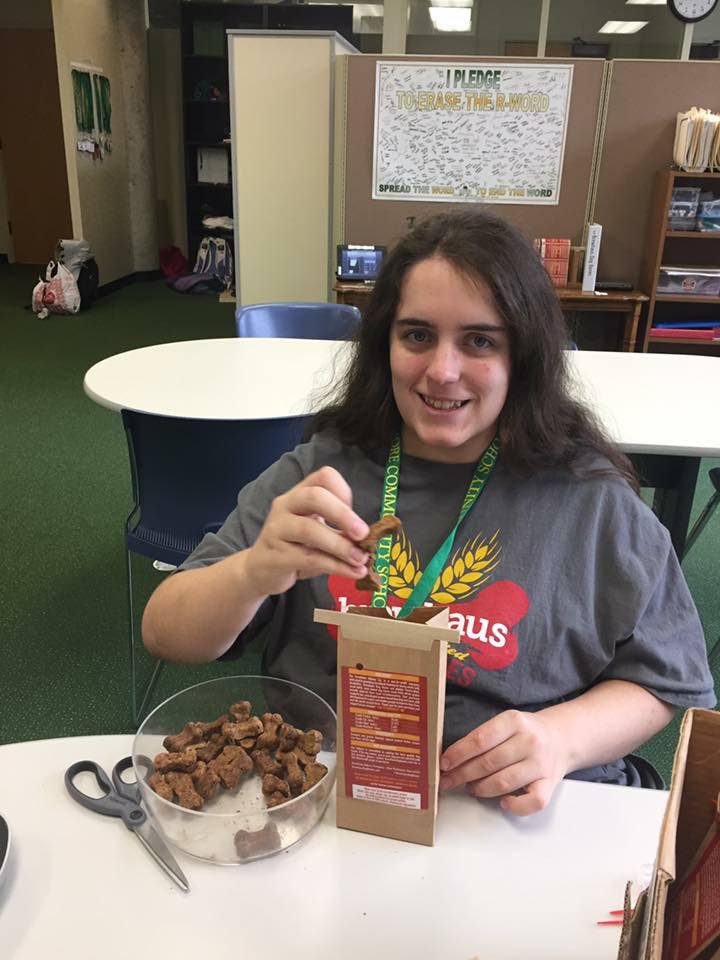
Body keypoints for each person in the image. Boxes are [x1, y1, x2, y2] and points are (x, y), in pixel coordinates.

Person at [142, 209, 716, 817]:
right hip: (333, 802)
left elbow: (664, 679)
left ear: (524, 355)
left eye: (480, 340)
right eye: (417, 335)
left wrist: (563, 739)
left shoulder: (591, 501)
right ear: (384, 344)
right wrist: (251, 572)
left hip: (513, 816)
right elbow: (164, 631)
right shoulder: (323, 474)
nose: (442, 371)